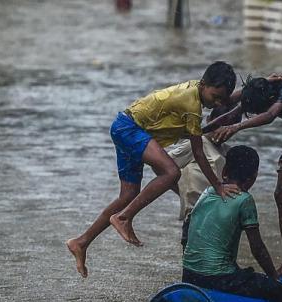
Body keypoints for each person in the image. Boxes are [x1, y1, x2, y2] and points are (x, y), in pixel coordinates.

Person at [67, 62, 240, 278]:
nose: (217, 104)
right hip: (131, 130)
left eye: (221, 100)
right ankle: (123, 218)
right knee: (171, 172)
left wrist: (249, 91)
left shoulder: (198, 89)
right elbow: (198, 152)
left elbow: (226, 99)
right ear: (204, 84)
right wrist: (218, 186)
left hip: (125, 125)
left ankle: (81, 242)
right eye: (215, 97)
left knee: (128, 195)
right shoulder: (191, 104)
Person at [204, 76, 282, 285]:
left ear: (270, 98)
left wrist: (236, 128)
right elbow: (230, 108)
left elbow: (271, 115)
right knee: (281, 195)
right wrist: (200, 132)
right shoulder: (259, 88)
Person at [182, 145, 282, 302]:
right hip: (219, 279)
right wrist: (274, 278)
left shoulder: (207, 192)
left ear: (224, 170)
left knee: (238, 271)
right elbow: (257, 248)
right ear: (253, 178)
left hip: (189, 275)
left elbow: (187, 229)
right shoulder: (244, 199)